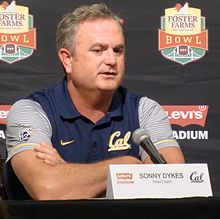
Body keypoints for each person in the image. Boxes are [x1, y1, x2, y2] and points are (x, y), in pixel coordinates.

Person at [5, 3, 185, 200]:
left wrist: (65, 171)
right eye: (98, 50)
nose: (111, 60)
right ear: (67, 60)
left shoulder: (145, 110)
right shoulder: (31, 110)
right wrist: (125, 165)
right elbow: (48, 188)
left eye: (118, 50)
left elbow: (173, 184)